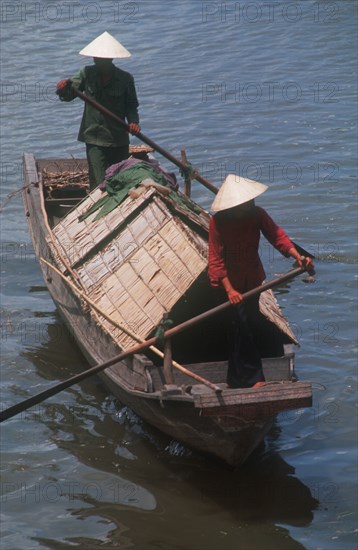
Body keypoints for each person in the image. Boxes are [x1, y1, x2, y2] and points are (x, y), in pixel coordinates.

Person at [208, 174, 314, 389]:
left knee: (246, 325)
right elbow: (215, 260)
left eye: (248, 202)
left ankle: (236, 379)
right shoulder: (217, 222)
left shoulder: (257, 215)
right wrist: (229, 290)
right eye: (242, 203)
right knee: (240, 326)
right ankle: (255, 379)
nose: (247, 205)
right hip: (228, 283)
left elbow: (277, 237)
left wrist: (298, 256)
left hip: (252, 279)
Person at [56, 31, 141, 190]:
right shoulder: (86, 73)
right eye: (95, 58)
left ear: (110, 59)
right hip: (94, 137)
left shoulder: (125, 79)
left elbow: (131, 105)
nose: (97, 61)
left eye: (101, 59)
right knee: (98, 182)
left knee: (120, 181)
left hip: (118, 138)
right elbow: (69, 94)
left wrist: (134, 122)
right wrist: (63, 89)